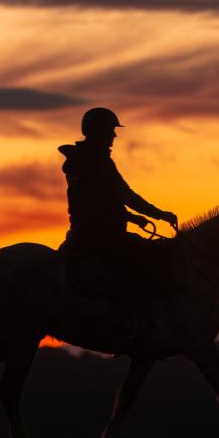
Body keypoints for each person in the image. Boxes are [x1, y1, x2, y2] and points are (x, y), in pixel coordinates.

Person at [58, 107, 178, 303]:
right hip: (103, 233)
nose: (114, 135)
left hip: (83, 231)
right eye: (110, 130)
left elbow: (100, 200)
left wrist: (132, 218)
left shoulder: (82, 160)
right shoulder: (98, 161)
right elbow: (125, 195)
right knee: (146, 263)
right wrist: (160, 214)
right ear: (101, 132)